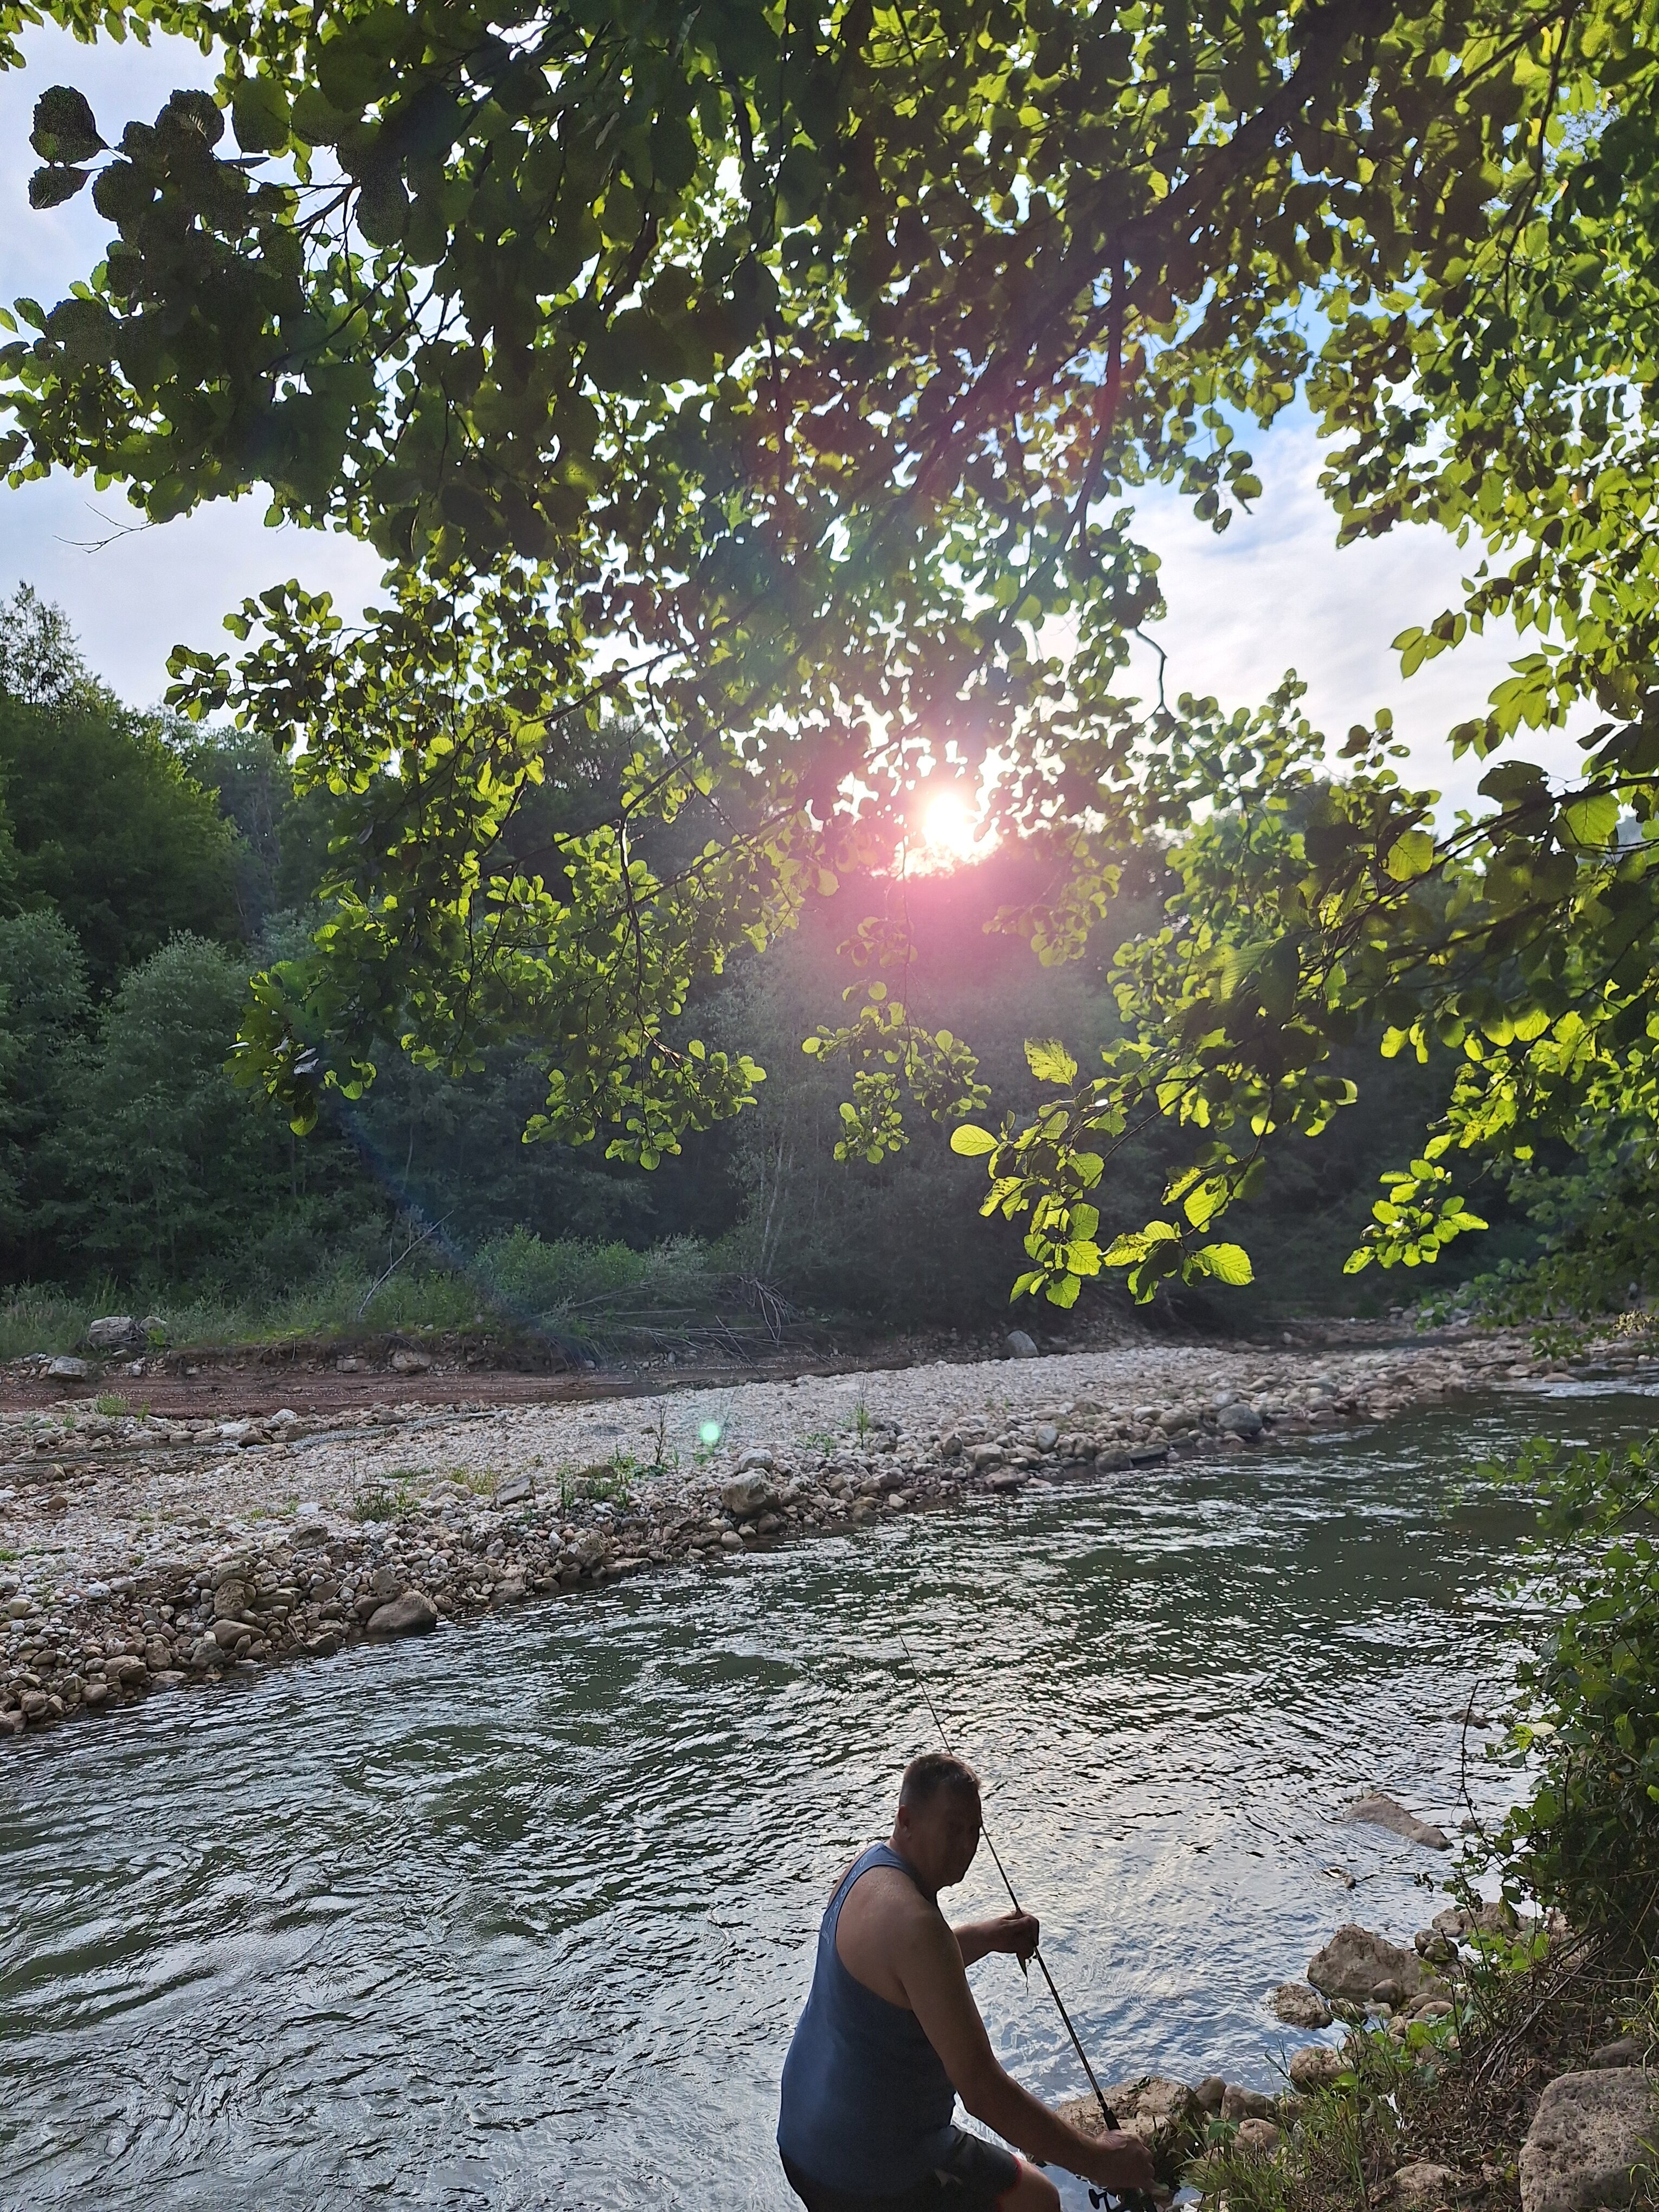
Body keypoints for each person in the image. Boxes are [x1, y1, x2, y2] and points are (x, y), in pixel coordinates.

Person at [777, 1752, 1158, 2212]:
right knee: (1036, 2200)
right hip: (869, 2169)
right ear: (906, 1820)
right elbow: (982, 2090)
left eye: (974, 1831)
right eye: (952, 1828)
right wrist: (1099, 2162)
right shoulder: (919, 1927)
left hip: (802, 2142)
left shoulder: (867, 1872)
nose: (966, 1846)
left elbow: (906, 1976)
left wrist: (988, 1936)